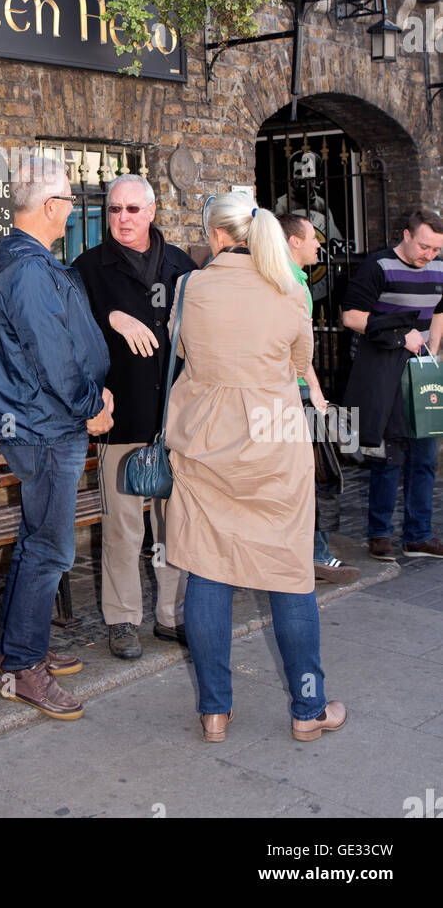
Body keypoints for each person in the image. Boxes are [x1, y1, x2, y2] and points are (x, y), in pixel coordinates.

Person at [165, 194, 346, 742]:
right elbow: (300, 366)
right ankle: (307, 709)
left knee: (207, 568)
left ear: (216, 235)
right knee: (290, 574)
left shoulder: (190, 288)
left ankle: (215, 711)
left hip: (207, 438)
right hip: (275, 439)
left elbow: (182, 352)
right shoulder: (291, 292)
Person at [0, 154, 113, 720]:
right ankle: (23, 667)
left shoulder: (29, 263)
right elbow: (52, 357)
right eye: (69, 200)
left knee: (37, 538)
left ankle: (17, 648)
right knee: (50, 548)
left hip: (43, 425)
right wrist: (90, 408)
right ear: (49, 206)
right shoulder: (30, 270)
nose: (73, 210)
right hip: (48, 429)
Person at [73, 174, 196, 658]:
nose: (122, 219)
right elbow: (69, 334)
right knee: (123, 528)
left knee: (174, 527)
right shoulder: (88, 268)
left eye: (131, 210)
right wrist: (112, 319)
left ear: (151, 212)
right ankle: (122, 619)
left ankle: (172, 615)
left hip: (173, 422)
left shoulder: (182, 267)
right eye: (114, 211)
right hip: (118, 419)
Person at [341, 210, 443, 562]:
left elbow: (440, 309)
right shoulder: (377, 266)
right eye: (425, 246)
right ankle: (380, 533)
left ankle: (418, 536)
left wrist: (435, 355)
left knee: (425, 457)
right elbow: (351, 316)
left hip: (423, 374)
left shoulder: (440, 267)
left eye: (436, 250)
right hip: (385, 372)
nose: (429, 255)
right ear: (406, 235)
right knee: (389, 456)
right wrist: (401, 334)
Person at [278, 212, 360, 586]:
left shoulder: (287, 279)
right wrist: (314, 389)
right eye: (313, 238)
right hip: (292, 392)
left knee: (307, 474)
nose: (319, 245)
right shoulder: (292, 282)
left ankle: (311, 551)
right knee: (315, 473)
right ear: (294, 241)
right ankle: (316, 554)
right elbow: (297, 346)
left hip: (292, 389)